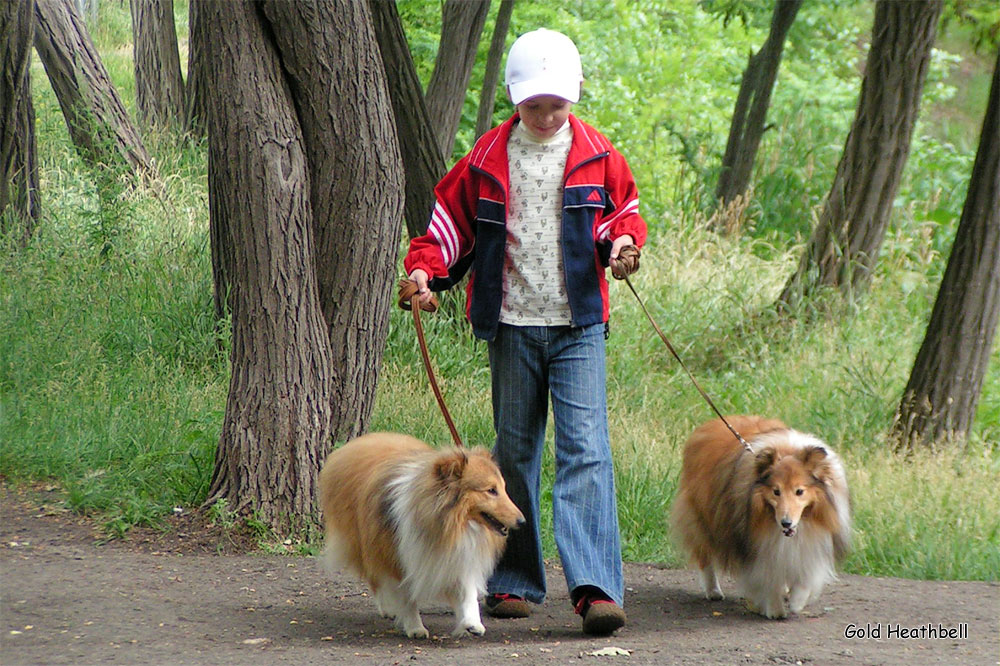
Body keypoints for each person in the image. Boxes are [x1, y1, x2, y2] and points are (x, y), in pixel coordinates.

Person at [404, 27, 646, 636]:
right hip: (511, 324)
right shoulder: (486, 159)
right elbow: (446, 227)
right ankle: (512, 581)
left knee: (586, 450)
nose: (544, 116)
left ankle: (594, 588)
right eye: (532, 105)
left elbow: (623, 215)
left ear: (575, 98)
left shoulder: (598, 155)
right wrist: (424, 272)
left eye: (555, 106)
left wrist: (621, 245)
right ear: (514, 99)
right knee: (513, 452)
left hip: (578, 327)